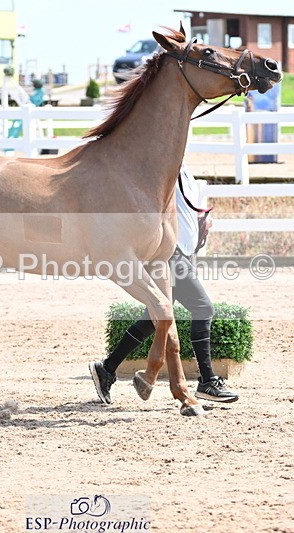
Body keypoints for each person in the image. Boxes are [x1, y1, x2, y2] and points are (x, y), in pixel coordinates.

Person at [89, 165, 239, 404]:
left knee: (153, 318)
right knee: (203, 309)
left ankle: (107, 368)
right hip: (172, 255)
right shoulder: (166, 167)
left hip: (183, 254)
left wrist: (202, 220)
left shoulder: (187, 173)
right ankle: (207, 381)